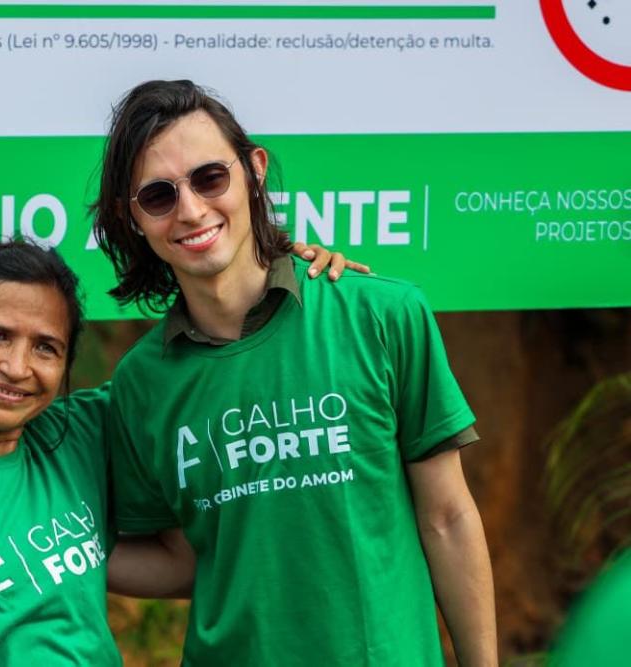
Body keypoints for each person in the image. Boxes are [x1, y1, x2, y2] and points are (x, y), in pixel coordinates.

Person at [0, 238, 360, 666]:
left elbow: (203, 371)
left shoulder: (79, 435)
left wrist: (278, 278)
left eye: (46, 348)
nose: (16, 368)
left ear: (65, 366)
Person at [94, 80, 498, 666]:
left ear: (254, 170)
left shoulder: (381, 314)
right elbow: (184, 559)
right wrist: (55, 557)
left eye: (211, 178)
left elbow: (448, 517)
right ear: (132, 218)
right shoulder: (140, 383)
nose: (191, 210)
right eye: (158, 195)